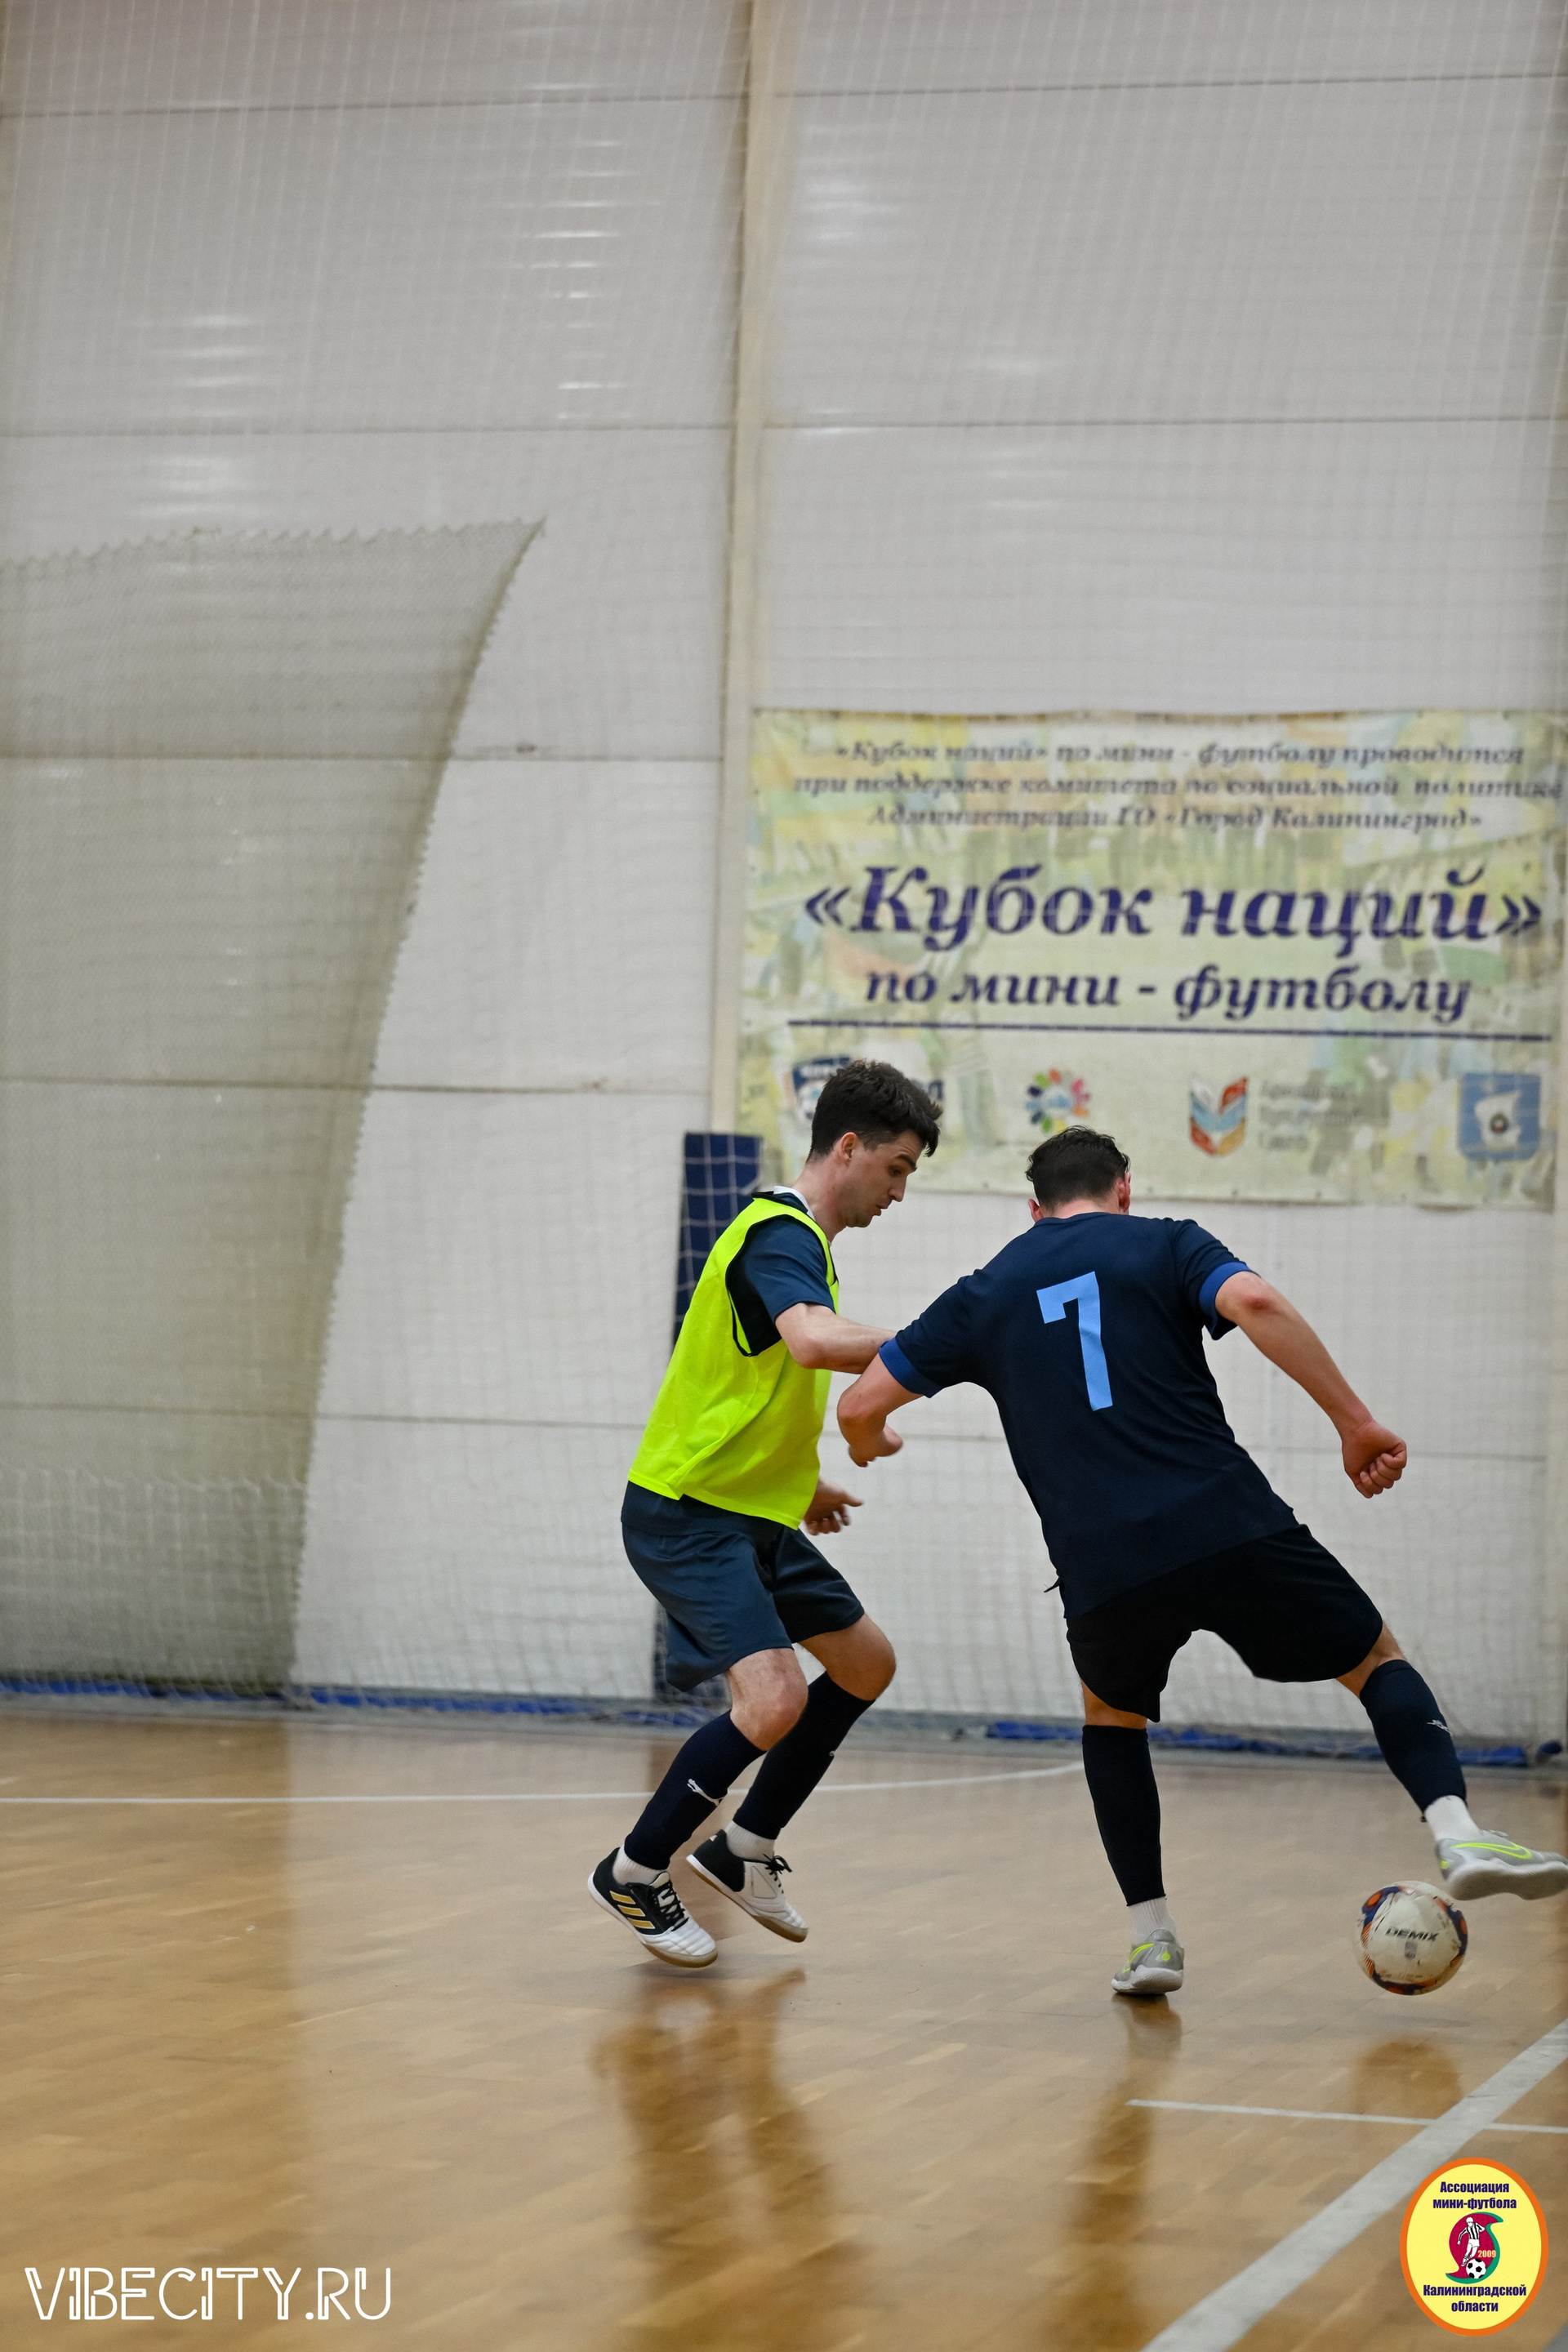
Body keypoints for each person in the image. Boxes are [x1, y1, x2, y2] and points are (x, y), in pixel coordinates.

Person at [836, 1125, 1568, 1997]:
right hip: (1224, 1523)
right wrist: (1355, 1423)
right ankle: (1455, 1831)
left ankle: (1153, 1940)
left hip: (1102, 1563)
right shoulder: (1166, 1242)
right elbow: (1253, 1301)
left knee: (1112, 1717)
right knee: (1374, 1660)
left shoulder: (983, 1292)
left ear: (1034, 1211)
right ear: (1124, 1189)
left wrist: (871, 1441)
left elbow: (859, 1403)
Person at [589, 1059, 942, 1967]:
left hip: (751, 1512)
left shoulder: (799, 1242)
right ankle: (634, 1870)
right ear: (849, 1147)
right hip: (687, 1514)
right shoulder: (779, 1233)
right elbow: (813, 1342)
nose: (899, 1192)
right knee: (775, 1698)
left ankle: (743, 1849)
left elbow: (760, 1379)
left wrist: (803, 1481)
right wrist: (946, 1343)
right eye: (896, 1168)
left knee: (864, 1664)